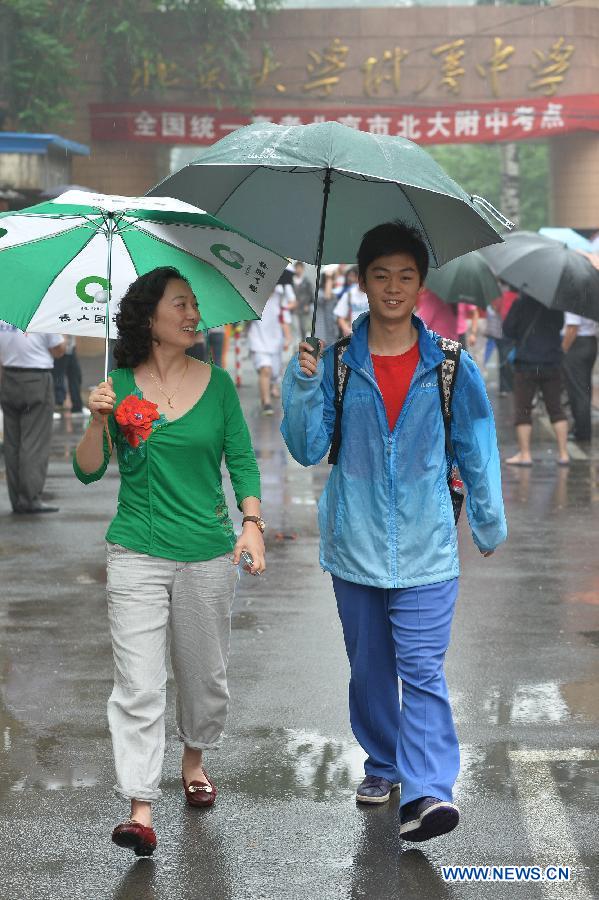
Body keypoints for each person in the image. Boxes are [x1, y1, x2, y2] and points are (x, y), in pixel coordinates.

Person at [281, 221, 506, 843]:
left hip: (427, 542)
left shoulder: (450, 365)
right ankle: (383, 763)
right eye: (380, 275)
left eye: (406, 276)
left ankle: (431, 790)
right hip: (354, 543)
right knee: (370, 666)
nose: (393, 287)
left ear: (420, 284)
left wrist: (487, 519)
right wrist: (303, 384)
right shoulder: (335, 365)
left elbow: (476, 444)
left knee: (423, 667)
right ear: (361, 282)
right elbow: (305, 448)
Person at [73, 266, 266, 857]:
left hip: (208, 552)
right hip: (136, 550)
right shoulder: (119, 386)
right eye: (180, 305)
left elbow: (242, 459)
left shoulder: (218, 385)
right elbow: (86, 469)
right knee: (137, 683)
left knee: (204, 678)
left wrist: (252, 524)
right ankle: (140, 806)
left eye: (194, 306)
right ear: (150, 318)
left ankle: (195, 757)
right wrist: (98, 418)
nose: (192, 316)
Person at [0, 322, 65, 513]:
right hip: (36, 379)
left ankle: (16, 499)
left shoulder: (4, 318)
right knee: (33, 442)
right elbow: (59, 350)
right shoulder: (42, 317)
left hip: (9, 377)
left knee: (12, 443)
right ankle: (29, 498)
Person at [502, 292, 569, 466]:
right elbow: (560, 325)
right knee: (556, 408)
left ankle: (525, 455)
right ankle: (563, 454)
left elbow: (507, 329)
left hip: (527, 363)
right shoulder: (555, 304)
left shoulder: (520, 302)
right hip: (551, 361)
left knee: (523, 409)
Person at [247, 272, 294, 415]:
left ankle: (273, 385)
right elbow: (247, 318)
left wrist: (288, 337)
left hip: (275, 342)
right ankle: (266, 403)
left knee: (274, 372)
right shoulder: (254, 297)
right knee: (265, 370)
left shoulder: (280, 299)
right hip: (258, 340)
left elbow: (284, 320)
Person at [561, 312, 598, 443]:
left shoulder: (574, 299)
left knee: (578, 391)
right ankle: (583, 429)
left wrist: (562, 351)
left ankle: (582, 431)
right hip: (590, 341)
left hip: (577, 344)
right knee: (584, 388)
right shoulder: (588, 296)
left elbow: (572, 328)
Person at [53, 334, 88, 415]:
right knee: (57, 377)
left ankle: (77, 407)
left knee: (75, 376)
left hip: (70, 348)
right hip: (60, 347)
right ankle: (56, 407)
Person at [333, 266, 369, 337]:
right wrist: (346, 329)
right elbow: (340, 316)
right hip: (355, 336)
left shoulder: (375, 294)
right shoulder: (349, 294)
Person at [293, 261, 315, 340]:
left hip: (304, 309)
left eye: (300, 268)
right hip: (294, 309)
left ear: (303, 269)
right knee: (295, 328)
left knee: (303, 328)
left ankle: (303, 343)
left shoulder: (307, 281)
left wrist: (307, 304)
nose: (298, 270)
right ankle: (296, 345)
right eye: (297, 268)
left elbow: (311, 295)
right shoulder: (292, 281)